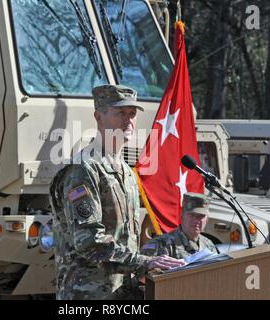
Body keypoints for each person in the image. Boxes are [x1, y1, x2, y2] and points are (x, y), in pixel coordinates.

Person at [49, 84, 183, 300]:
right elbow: (89, 242)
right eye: (120, 112)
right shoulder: (83, 169)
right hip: (87, 294)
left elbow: (126, 239)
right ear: (99, 117)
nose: (128, 120)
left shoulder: (127, 173)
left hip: (122, 293)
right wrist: (143, 263)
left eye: (131, 113)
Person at [141, 192, 218, 259]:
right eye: (191, 215)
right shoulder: (161, 244)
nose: (196, 220)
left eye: (201, 216)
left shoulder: (208, 245)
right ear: (181, 215)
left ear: (207, 220)